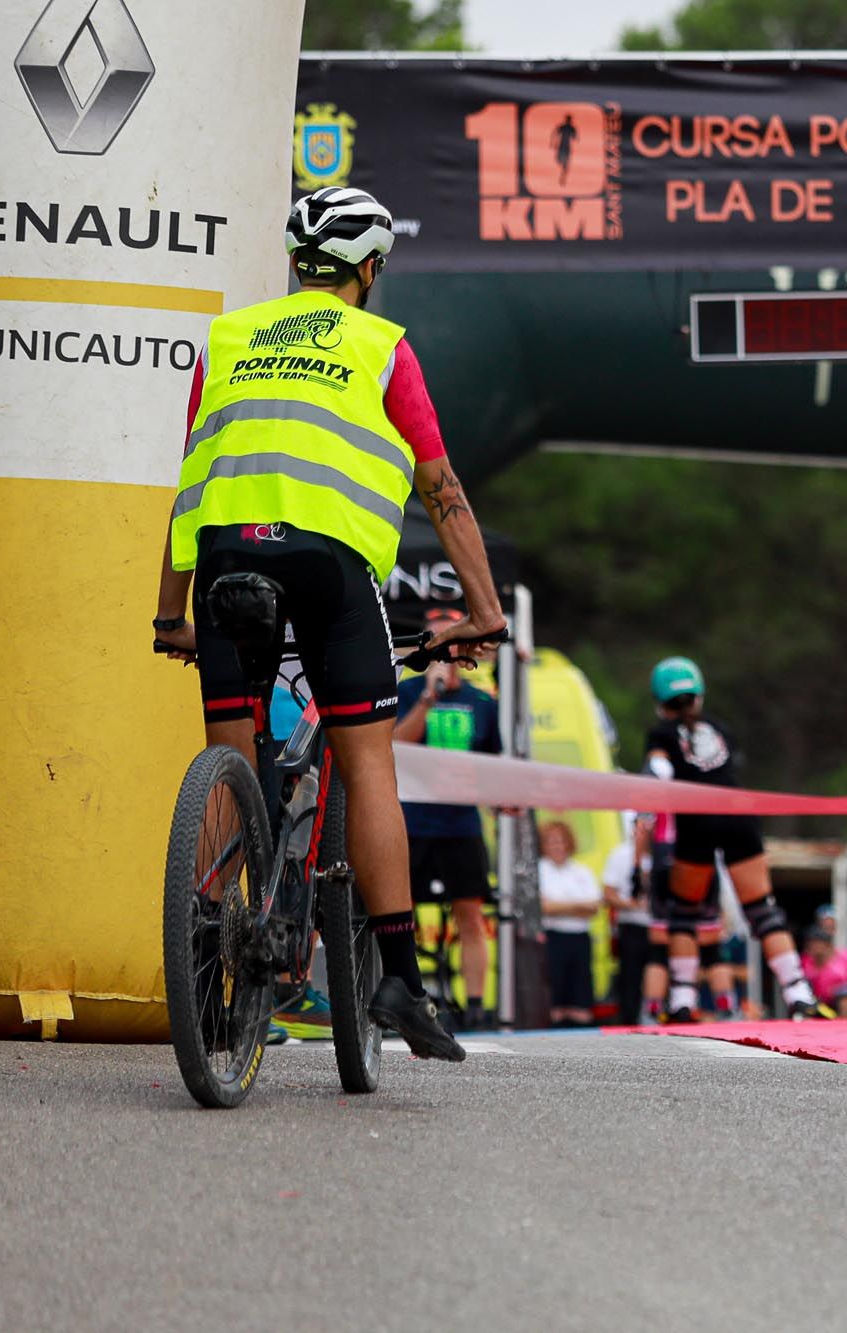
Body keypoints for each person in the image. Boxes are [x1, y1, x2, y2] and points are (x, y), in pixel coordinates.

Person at [152, 186, 505, 1063]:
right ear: (370, 269)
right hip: (326, 568)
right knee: (367, 760)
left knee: (236, 761)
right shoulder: (383, 347)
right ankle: (400, 980)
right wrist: (485, 613)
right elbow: (441, 489)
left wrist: (169, 614)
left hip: (226, 561)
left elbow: (191, 484)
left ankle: (226, 955)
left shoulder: (228, 339)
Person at [643, 657, 823, 1021]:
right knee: (762, 909)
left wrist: (650, 794)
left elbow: (659, 769)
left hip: (696, 819)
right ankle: (799, 994)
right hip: (737, 814)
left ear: (660, 702)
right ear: (699, 697)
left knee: (684, 914)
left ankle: (681, 999)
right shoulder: (720, 728)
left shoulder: (661, 732)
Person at [395, 606, 503, 1031]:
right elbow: (393, 745)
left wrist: (503, 800)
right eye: (436, 641)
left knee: (471, 917)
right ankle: (405, 993)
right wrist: (429, 697)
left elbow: (493, 765)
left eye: (450, 640)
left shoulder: (481, 702)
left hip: (461, 826)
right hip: (412, 823)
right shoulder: (407, 691)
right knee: (398, 912)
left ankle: (476, 1005)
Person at [537, 820, 600, 1027]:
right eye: (551, 841)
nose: (557, 846)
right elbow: (544, 907)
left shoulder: (581, 871)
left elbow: (594, 906)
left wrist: (560, 906)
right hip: (553, 938)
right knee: (555, 993)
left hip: (579, 939)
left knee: (580, 994)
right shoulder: (539, 871)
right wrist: (577, 906)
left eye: (561, 841)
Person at [600, 813, 657, 1024]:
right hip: (631, 924)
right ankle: (629, 1019)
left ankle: (655, 1014)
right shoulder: (621, 855)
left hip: (656, 925)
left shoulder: (660, 855)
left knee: (657, 971)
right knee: (630, 976)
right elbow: (608, 892)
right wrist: (631, 905)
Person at [801, 926, 847, 1014]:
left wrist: (838, 990)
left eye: (817, 943)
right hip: (818, 1005)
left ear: (827, 944)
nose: (814, 947)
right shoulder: (805, 961)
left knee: (845, 999)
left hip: (841, 1001)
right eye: (811, 943)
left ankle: (845, 1026)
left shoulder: (846, 957)